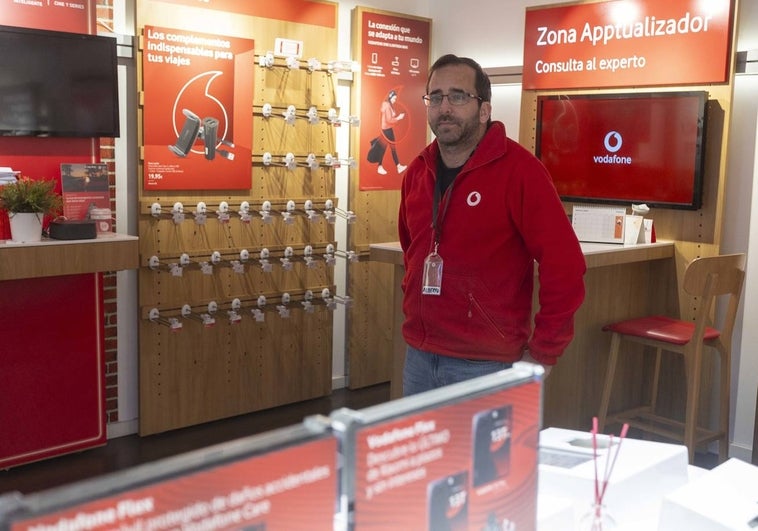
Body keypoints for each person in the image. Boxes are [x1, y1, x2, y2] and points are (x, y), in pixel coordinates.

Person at [398, 54, 586, 396]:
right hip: (420, 358)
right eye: (435, 97)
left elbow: (566, 266)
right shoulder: (416, 173)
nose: (445, 108)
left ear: (484, 110)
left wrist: (544, 353)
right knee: (425, 452)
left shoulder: (521, 172)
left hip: (487, 365)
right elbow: (410, 250)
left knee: (483, 454)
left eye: (458, 96)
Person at [376, 90, 407, 175]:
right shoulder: (387, 106)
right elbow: (389, 120)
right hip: (386, 130)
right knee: (385, 148)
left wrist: (397, 118)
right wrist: (398, 118)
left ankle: (397, 166)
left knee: (391, 148)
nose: (395, 100)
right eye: (394, 98)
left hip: (388, 129)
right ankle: (380, 166)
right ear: (390, 97)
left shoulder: (389, 105)